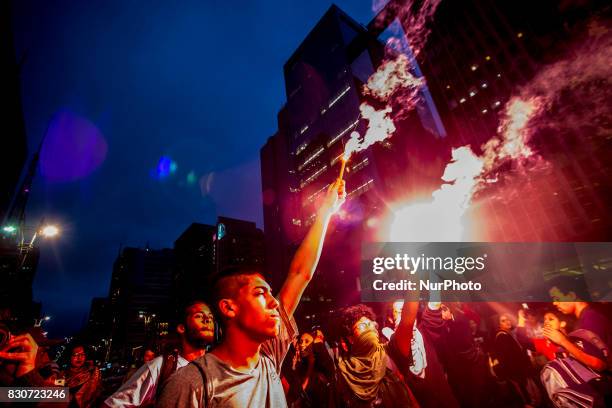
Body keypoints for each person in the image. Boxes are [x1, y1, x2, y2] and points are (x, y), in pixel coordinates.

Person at [157, 179, 345, 407]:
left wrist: (326, 210)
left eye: (271, 294)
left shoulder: (269, 357)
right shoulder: (191, 383)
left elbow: (300, 274)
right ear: (228, 307)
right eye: (260, 293)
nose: (275, 303)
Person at [105, 300, 215, 407]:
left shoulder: (216, 368)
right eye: (198, 316)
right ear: (182, 328)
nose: (207, 320)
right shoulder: (160, 366)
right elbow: (113, 404)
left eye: (210, 317)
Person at [333, 303, 419, 408]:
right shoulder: (342, 375)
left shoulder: (390, 351)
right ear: (350, 338)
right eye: (362, 325)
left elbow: (407, 322)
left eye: (372, 324)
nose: (370, 328)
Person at [491, 314, 540, 408]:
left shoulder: (507, 335)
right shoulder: (502, 337)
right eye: (503, 321)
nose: (507, 322)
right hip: (518, 375)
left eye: (508, 319)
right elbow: (509, 360)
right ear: (498, 325)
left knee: (532, 397)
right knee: (530, 400)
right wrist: (519, 375)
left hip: (520, 374)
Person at [286, 331, 336, 408]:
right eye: (301, 342)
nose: (302, 345)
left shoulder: (323, 365)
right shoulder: (300, 365)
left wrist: (317, 341)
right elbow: (296, 392)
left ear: (313, 344)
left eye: (307, 341)